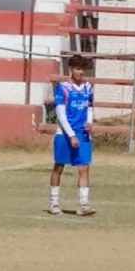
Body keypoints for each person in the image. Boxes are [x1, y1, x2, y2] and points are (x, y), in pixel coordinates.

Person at [49, 54, 95, 216]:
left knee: (84, 168)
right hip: (65, 134)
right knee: (59, 166)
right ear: (71, 69)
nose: (81, 72)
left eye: (83, 69)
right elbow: (60, 114)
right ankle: (54, 203)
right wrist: (70, 135)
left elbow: (89, 107)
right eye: (78, 68)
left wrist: (89, 122)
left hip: (82, 134)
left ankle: (83, 204)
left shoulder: (88, 87)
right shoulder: (64, 88)